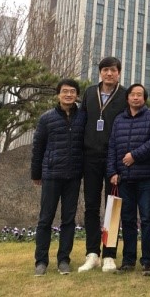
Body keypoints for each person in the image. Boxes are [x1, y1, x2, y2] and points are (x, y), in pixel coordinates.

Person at [31, 79, 86, 276]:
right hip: (52, 174)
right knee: (45, 219)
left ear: (77, 95)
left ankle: (64, 259)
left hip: (73, 175)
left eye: (72, 91)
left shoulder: (83, 117)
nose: (68, 95)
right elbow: (38, 147)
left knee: (68, 220)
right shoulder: (47, 118)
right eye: (65, 91)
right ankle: (41, 261)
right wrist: (36, 173)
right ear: (58, 95)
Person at [107, 84, 150, 275]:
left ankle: (147, 260)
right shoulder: (119, 120)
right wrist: (112, 172)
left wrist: (135, 156)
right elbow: (112, 147)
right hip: (124, 178)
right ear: (127, 98)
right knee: (127, 219)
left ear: (144, 98)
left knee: (147, 218)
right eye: (133, 94)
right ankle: (128, 260)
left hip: (146, 177)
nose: (136, 97)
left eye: (140, 95)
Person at [78, 57, 128, 273]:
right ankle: (92, 254)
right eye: (105, 70)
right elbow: (81, 122)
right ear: (100, 72)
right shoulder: (90, 93)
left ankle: (109, 254)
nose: (109, 73)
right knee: (91, 206)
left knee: (113, 206)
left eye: (113, 70)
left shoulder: (125, 95)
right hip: (90, 156)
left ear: (119, 73)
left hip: (113, 158)